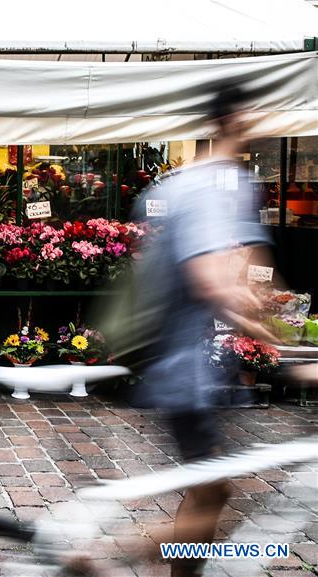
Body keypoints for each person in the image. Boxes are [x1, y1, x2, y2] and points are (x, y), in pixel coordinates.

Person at [133, 84, 279, 577]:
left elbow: (250, 268)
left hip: (192, 362)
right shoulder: (209, 186)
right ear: (234, 120)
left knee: (209, 488)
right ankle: (107, 553)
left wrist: (262, 307)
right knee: (212, 488)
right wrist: (271, 328)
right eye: (254, 113)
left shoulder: (224, 183)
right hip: (186, 366)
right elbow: (208, 275)